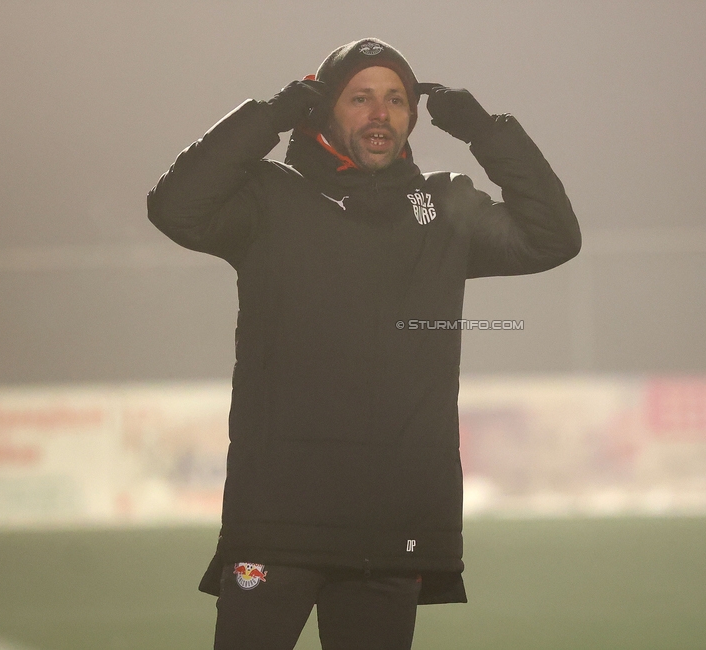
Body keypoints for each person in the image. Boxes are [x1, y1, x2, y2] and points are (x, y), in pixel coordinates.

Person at [148, 37, 581, 650]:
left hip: (392, 528)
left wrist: (487, 133)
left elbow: (552, 238)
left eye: (397, 99)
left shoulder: (442, 205)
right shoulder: (269, 198)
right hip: (276, 524)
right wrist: (268, 117)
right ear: (322, 110)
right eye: (360, 98)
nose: (381, 113)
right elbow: (174, 207)